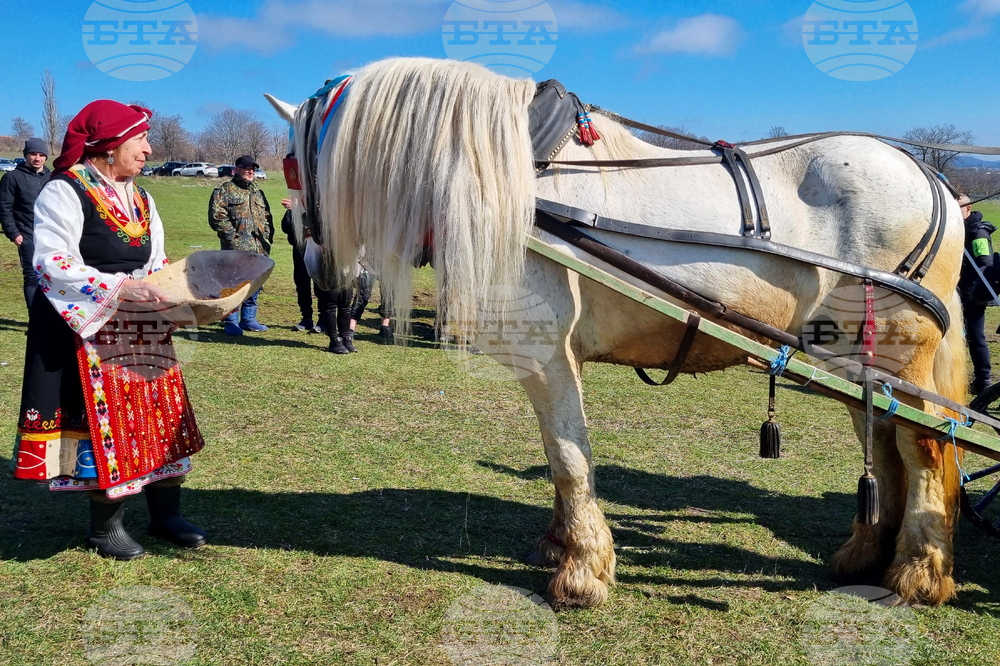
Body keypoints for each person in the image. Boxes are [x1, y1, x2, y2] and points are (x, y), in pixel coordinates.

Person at [10, 100, 207, 560]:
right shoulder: (65, 190)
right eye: (139, 140)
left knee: (159, 416)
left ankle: (166, 513)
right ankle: (106, 526)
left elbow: (154, 259)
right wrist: (123, 289)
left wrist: (167, 290)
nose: (148, 149)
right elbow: (53, 263)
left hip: (143, 325)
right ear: (108, 146)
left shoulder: (141, 195)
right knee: (109, 424)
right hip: (90, 326)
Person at [208, 155, 274, 335]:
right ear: (237, 169)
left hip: (258, 249)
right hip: (235, 251)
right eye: (247, 168)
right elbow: (217, 217)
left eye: (253, 169)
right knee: (233, 286)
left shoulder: (258, 192)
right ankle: (231, 320)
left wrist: (267, 237)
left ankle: (249, 319)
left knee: (254, 285)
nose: (251, 171)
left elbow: (267, 217)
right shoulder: (226, 190)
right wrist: (232, 238)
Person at [279, 200, 355, 353]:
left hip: (345, 259)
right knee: (331, 302)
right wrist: (296, 210)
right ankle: (334, 340)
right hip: (326, 258)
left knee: (345, 303)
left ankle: (346, 337)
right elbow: (296, 230)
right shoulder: (311, 211)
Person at [0, 138, 51, 310]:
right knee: (32, 278)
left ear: (46, 157)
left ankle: (53, 319)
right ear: (25, 155)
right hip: (27, 235)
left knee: (54, 276)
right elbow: (4, 208)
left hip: (52, 236)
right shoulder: (12, 178)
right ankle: (35, 320)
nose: (37, 158)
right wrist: (14, 234)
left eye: (41, 154)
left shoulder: (52, 178)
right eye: (33, 154)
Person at [958, 194, 997, 394]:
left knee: (975, 336)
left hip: (973, 294)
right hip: (956, 291)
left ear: (968, 209)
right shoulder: (956, 229)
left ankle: (983, 380)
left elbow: (985, 264)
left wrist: (971, 290)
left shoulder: (978, 233)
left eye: (959, 209)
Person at [281, 197, 322, 333]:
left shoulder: (321, 199)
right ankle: (306, 318)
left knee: (320, 284)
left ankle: (323, 320)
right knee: (302, 284)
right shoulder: (296, 200)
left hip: (317, 249)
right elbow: (286, 227)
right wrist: (293, 211)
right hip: (300, 249)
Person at [350, 267, 392, 343]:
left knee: (389, 291)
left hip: (387, 261)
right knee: (364, 292)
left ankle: (385, 326)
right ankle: (351, 327)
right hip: (368, 262)